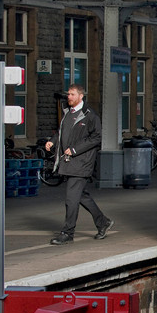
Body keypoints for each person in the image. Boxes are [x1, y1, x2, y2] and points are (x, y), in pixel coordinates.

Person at [45, 84, 114, 245]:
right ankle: (103, 222)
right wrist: (52, 141)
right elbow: (61, 131)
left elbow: (96, 138)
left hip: (81, 163)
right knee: (82, 196)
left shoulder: (90, 116)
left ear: (81, 96)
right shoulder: (67, 113)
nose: (69, 97)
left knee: (71, 198)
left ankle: (68, 233)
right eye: (68, 94)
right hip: (69, 162)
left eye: (72, 94)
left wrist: (75, 149)